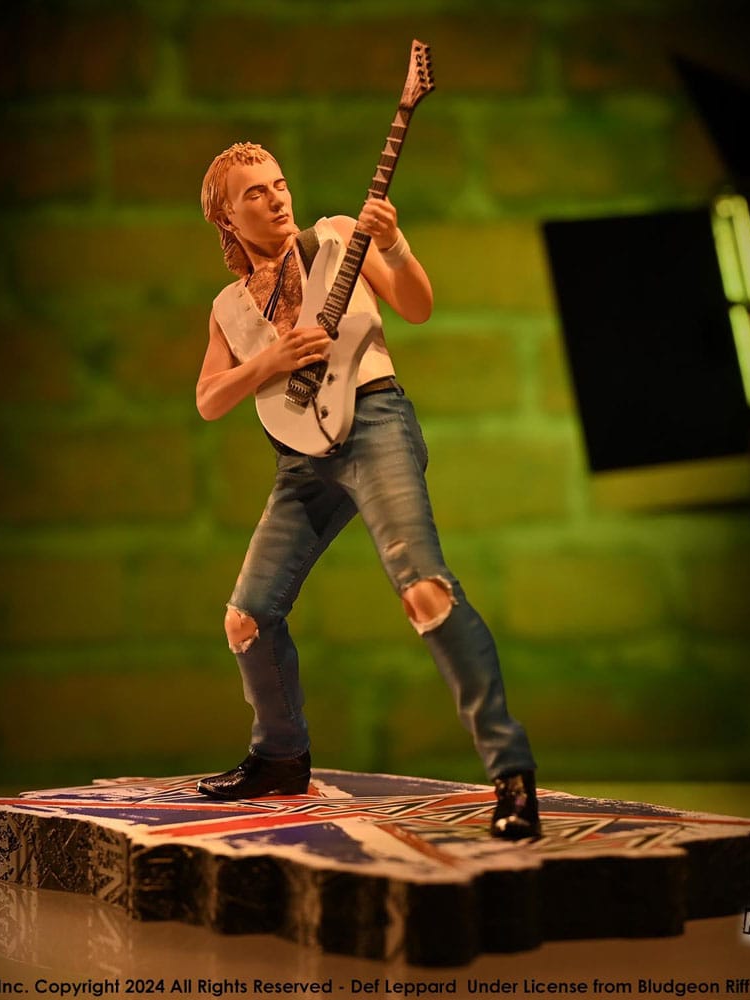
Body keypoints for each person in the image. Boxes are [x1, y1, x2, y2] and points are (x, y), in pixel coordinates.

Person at [195, 141, 540, 840]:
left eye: (278, 183)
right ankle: (280, 757)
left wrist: (395, 244)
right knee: (247, 617)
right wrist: (270, 360)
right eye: (255, 193)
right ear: (227, 217)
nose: (276, 197)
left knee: (425, 591)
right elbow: (209, 398)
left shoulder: (336, 237)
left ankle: (511, 771)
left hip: (374, 420)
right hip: (300, 458)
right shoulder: (229, 307)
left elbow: (417, 305)